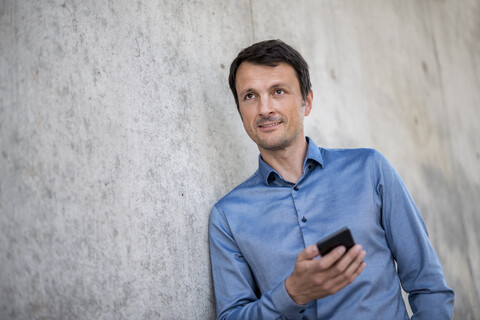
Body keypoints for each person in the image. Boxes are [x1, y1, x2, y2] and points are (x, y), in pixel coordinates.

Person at [209, 39, 454, 320]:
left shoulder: (369, 169)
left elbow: (428, 283)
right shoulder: (227, 216)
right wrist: (291, 294)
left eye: (278, 91)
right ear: (240, 110)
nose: (265, 108)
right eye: (250, 96)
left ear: (307, 101)